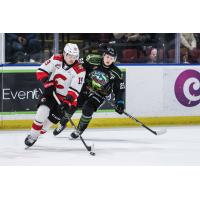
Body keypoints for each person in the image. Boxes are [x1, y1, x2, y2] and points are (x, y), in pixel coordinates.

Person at [53, 47, 125, 139]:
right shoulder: (92, 59)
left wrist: (120, 103)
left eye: (111, 58)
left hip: (100, 94)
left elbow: (119, 89)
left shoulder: (116, 73)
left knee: (88, 109)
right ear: (103, 56)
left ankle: (79, 129)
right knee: (72, 104)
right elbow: (77, 65)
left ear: (114, 59)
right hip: (85, 87)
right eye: (107, 57)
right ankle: (62, 124)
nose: (108, 60)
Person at [24, 43, 86, 147]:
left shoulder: (80, 70)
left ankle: (37, 133)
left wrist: (66, 103)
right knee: (42, 112)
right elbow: (41, 70)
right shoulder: (56, 58)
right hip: (51, 93)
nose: (72, 59)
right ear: (64, 54)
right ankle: (32, 136)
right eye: (70, 56)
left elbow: (75, 90)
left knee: (47, 125)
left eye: (75, 57)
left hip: (66, 99)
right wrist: (47, 82)